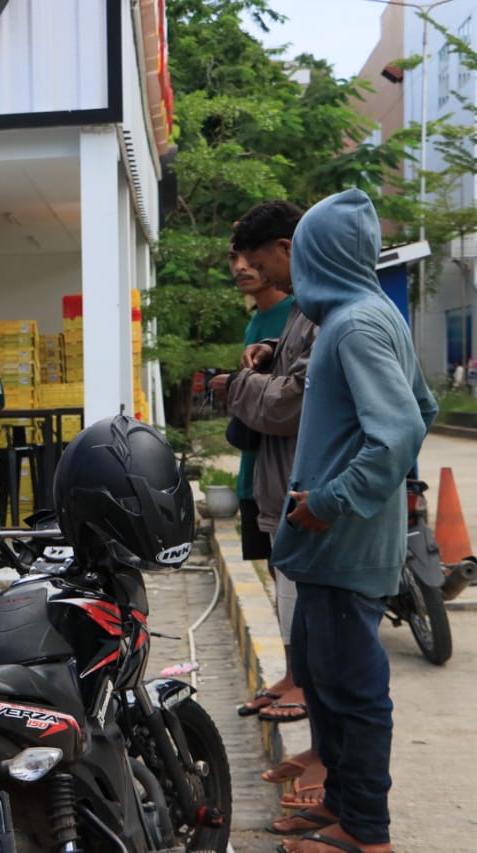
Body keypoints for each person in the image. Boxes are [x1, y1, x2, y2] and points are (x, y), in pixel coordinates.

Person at [273, 189, 437, 853]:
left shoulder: (355, 324)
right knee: (325, 680)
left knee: (355, 690)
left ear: (320, 254)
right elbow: (423, 408)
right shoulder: (370, 315)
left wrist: (332, 499)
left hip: (338, 538)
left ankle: (366, 831)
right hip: (329, 541)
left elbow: (397, 430)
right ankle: (340, 804)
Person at [223, 201, 330, 828]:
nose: (251, 270)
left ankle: (353, 812)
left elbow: (399, 423)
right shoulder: (306, 317)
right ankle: (327, 768)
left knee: (342, 668)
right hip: (288, 495)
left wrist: (335, 499)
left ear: (290, 250)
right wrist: (266, 357)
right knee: (313, 638)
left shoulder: (343, 318)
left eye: (258, 261)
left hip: (317, 507)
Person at [210, 242, 292, 576]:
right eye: (233, 258)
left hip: (285, 475)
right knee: (277, 579)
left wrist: (235, 386)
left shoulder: (297, 314)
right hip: (256, 472)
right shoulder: (256, 321)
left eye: (249, 257)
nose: (241, 266)